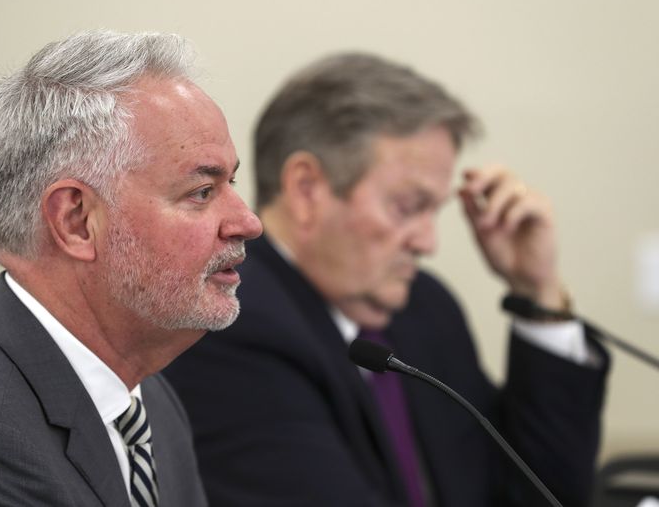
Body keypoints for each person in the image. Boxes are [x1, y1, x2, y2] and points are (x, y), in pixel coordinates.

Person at [163, 53, 610, 507]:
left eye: (434, 210)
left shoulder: (426, 307)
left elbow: (542, 494)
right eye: (407, 206)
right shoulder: (228, 324)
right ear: (306, 189)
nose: (428, 242)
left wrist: (538, 292)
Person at [0, 30, 262, 506]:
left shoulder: (147, 397)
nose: (248, 222)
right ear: (76, 221)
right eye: (202, 192)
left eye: (230, 181)